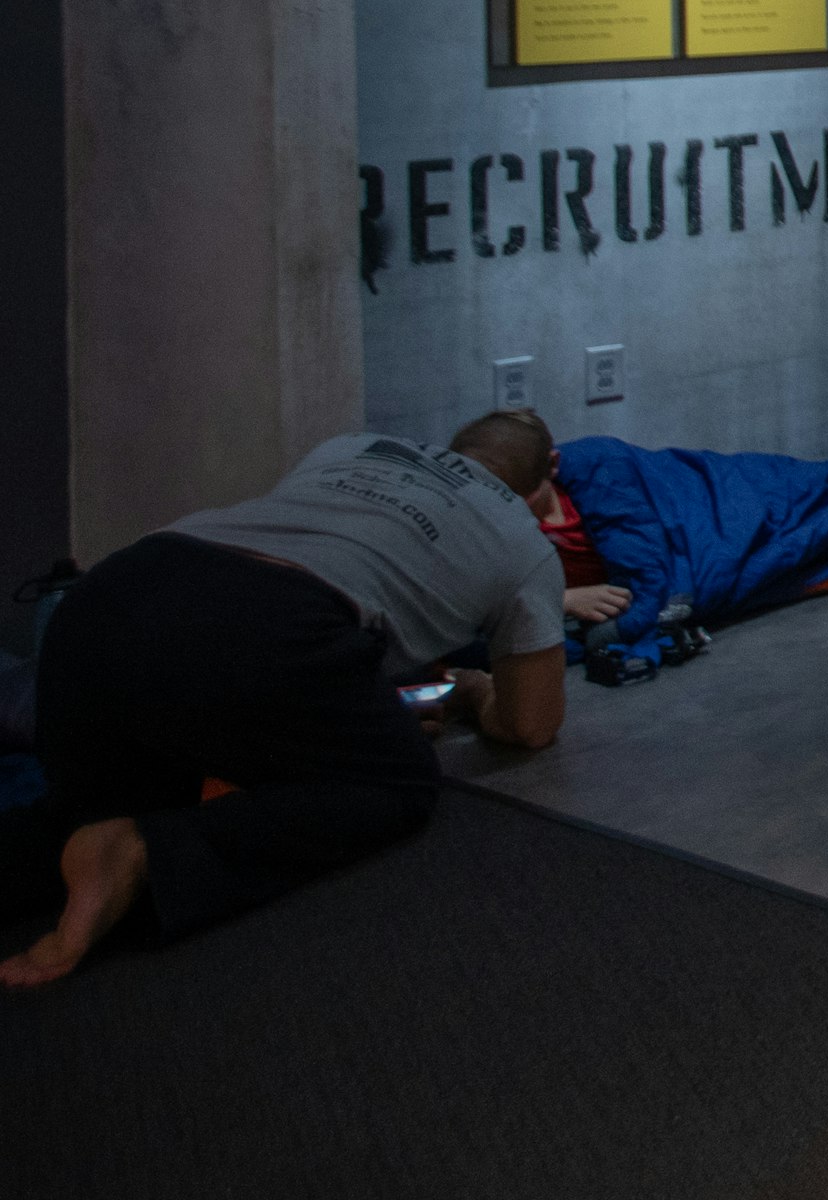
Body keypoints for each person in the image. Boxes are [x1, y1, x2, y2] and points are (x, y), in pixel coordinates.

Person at [1, 412, 576, 988]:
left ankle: (93, 842)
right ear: (538, 486)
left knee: (87, 812)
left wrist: (364, 709)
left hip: (104, 601)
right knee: (396, 782)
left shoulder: (352, 448)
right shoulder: (522, 543)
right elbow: (529, 725)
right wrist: (473, 689)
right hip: (265, 626)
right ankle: (142, 853)